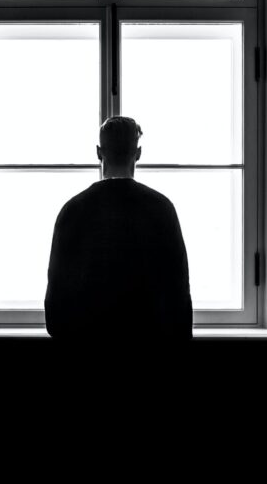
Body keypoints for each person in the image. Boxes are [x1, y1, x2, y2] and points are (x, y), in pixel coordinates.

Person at [44, 116, 193, 341]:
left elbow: (56, 302)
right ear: (139, 153)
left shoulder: (73, 211)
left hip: (85, 346)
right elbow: (178, 294)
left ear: (98, 152)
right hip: (149, 345)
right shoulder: (161, 209)